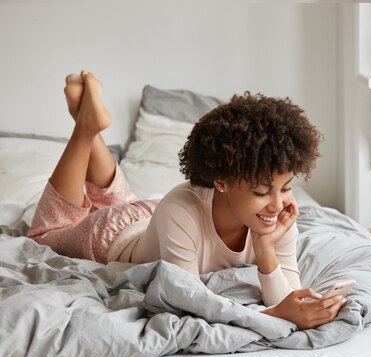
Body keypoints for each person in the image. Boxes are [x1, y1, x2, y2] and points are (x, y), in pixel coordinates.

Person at [26, 71, 346, 330]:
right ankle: (85, 128)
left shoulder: (276, 217)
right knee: (46, 234)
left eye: (286, 187)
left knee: (116, 198)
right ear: (221, 181)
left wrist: (264, 248)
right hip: (113, 235)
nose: (278, 204)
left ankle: (90, 119)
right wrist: (275, 317)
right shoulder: (181, 209)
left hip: (154, 217)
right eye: (262, 192)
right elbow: (190, 302)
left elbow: (288, 296)